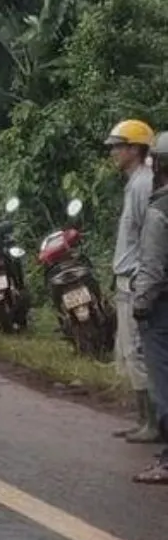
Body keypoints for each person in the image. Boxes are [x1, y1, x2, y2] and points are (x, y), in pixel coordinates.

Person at [106, 119, 160, 443]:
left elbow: (147, 237)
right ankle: (144, 420)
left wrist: (141, 280)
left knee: (137, 353)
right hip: (127, 279)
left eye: (119, 146)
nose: (114, 152)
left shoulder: (143, 184)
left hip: (135, 281)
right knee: (131, 352)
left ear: (136, 149)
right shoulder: (136, 181)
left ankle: (152, 423)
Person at [131, 131, 168, 483]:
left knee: (163, 383)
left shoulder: (159, 212)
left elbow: (153, 267)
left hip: (161, 308)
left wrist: (140, 304)